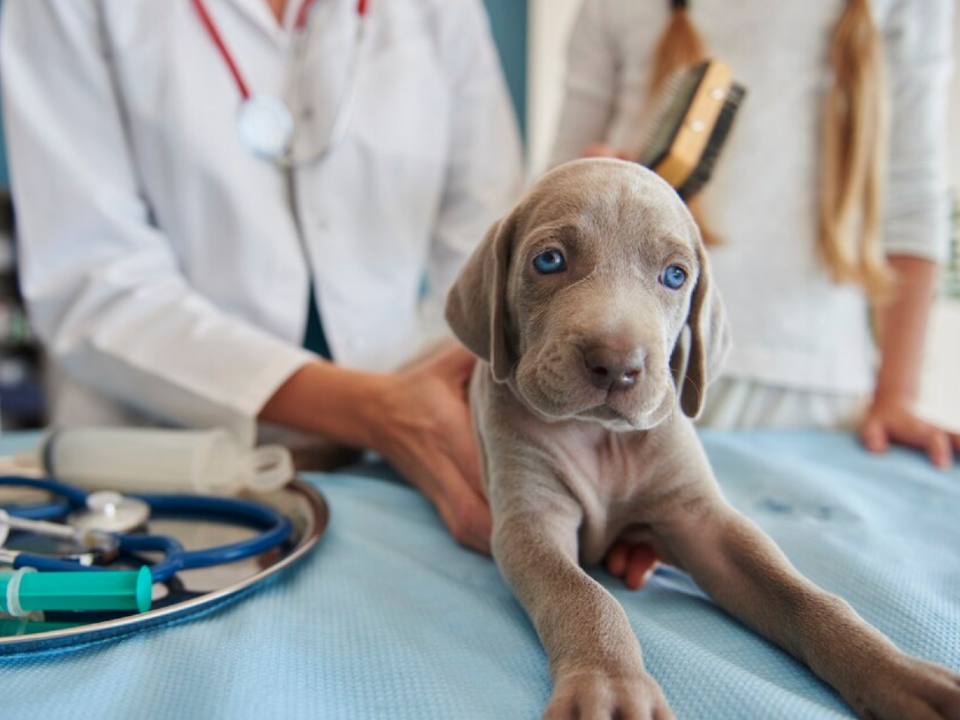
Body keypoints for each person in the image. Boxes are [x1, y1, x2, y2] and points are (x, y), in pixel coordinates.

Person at [1, 0, 523, 553]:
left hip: (399, 467)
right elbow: (92, 279)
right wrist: (378, 410)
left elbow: (488, 254)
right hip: (161, 473)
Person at [551, 0, 957, 465]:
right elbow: (555, 181)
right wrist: (590, 181)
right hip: (631, 368)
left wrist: (898, 396)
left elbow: (911, 198)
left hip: (816, 396)